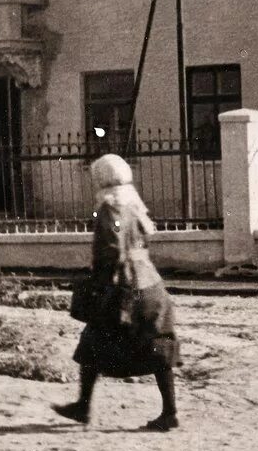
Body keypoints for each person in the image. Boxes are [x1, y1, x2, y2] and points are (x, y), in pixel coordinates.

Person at [54, 153, 180, 432]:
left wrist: (96, 284)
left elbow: (111, 249)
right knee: (158, 344)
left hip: (125, 287)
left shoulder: (110, 207)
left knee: (93, 341)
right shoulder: (134, 203)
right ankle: (170, 411)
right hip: (151, 284)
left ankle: (83, 406)